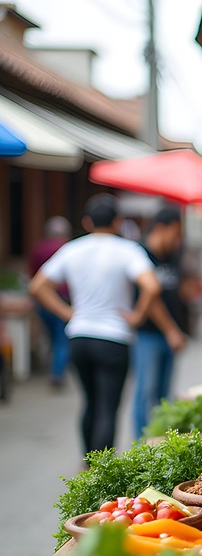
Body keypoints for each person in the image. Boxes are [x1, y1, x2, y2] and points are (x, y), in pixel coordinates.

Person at [28, 194, 162, 456]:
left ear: (87, 222)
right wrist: (136, 316)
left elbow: (37, 286)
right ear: (118, 221)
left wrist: (67, 313)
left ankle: (86, 462)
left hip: (79, 336)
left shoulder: (72, 248)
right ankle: (101, 471)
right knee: (107, 407)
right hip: (114, 337)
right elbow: (152, 285)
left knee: (90, 401)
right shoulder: (128, 250)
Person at [130, 206, 189, 439]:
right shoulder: (140, 255)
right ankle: (142, 446)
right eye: (176, 233)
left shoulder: (171, 256)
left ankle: (161, 442)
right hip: (149, 334)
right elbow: (151, 299)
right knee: (145, 391)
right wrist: (171, 330)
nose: (178, 239)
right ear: (161, 228)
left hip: (168, 336)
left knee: (164, 396)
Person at [27, 216, 72, 388]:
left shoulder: (38, 248)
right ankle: (57, 373)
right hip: (61, 299)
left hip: (42, 300)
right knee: (62, 338)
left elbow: (32, 277)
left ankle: (54, 367)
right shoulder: (68, 248)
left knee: (53, 337)